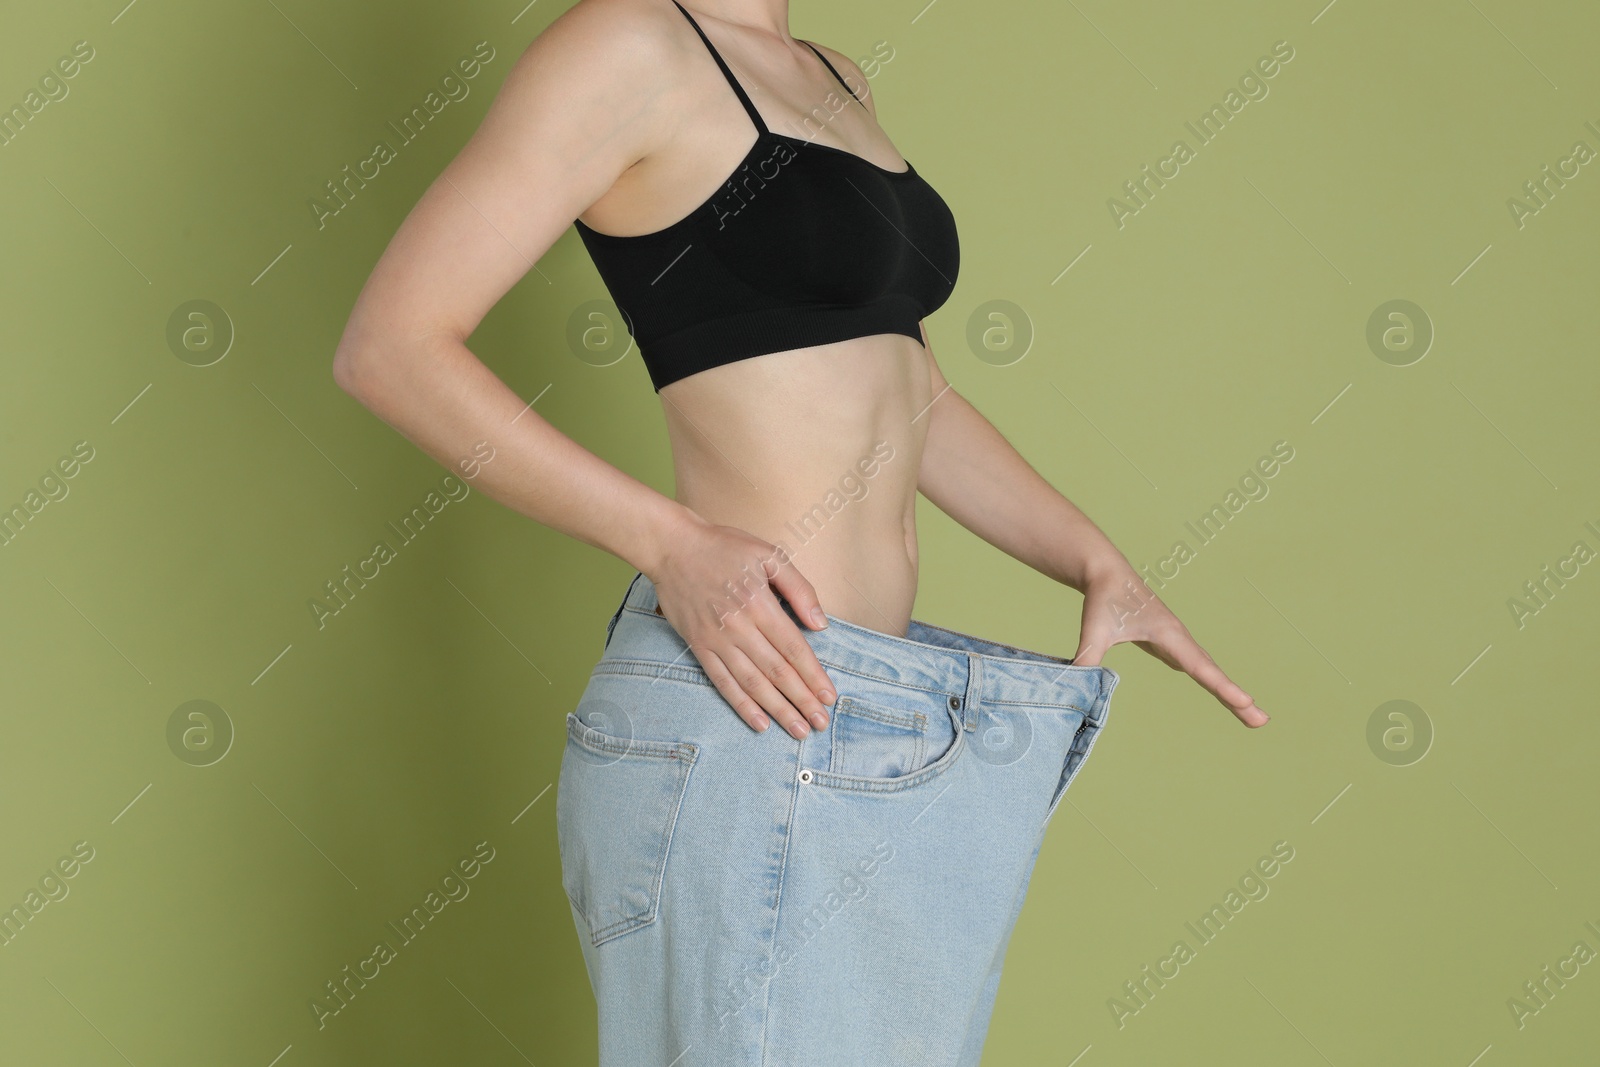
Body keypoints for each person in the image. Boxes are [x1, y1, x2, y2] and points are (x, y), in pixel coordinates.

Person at [332, 0, 1270, 1062]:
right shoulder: (625, 44)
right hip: (749, 700)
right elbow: (392, 348)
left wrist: (1093, 558)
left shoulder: (833, 75)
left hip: (878, 703)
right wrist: (670, 542)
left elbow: (905, 388)